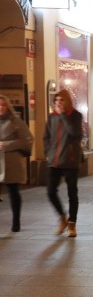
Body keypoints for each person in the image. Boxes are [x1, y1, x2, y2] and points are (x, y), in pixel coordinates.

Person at [44, 89, 83, 237]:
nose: (59, 103)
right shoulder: (52, 117)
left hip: (70, 160)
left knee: (72, 193)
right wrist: (48, 152)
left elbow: (76, 134)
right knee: (50, 191)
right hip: (54, 161)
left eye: (61, 100)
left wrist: (63, 116)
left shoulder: (75, 115)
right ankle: (62, 218)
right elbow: (46, 137)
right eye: (56, 100)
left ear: (67, 101)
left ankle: (72, 224)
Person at [0, 95, 34, 232]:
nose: (0, 108)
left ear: (8, 106)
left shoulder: (15, 121)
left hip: (11, 162)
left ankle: (16, 222)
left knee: (13, 192)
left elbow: (27, 139)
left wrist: (5, 145)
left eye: (3, 105)